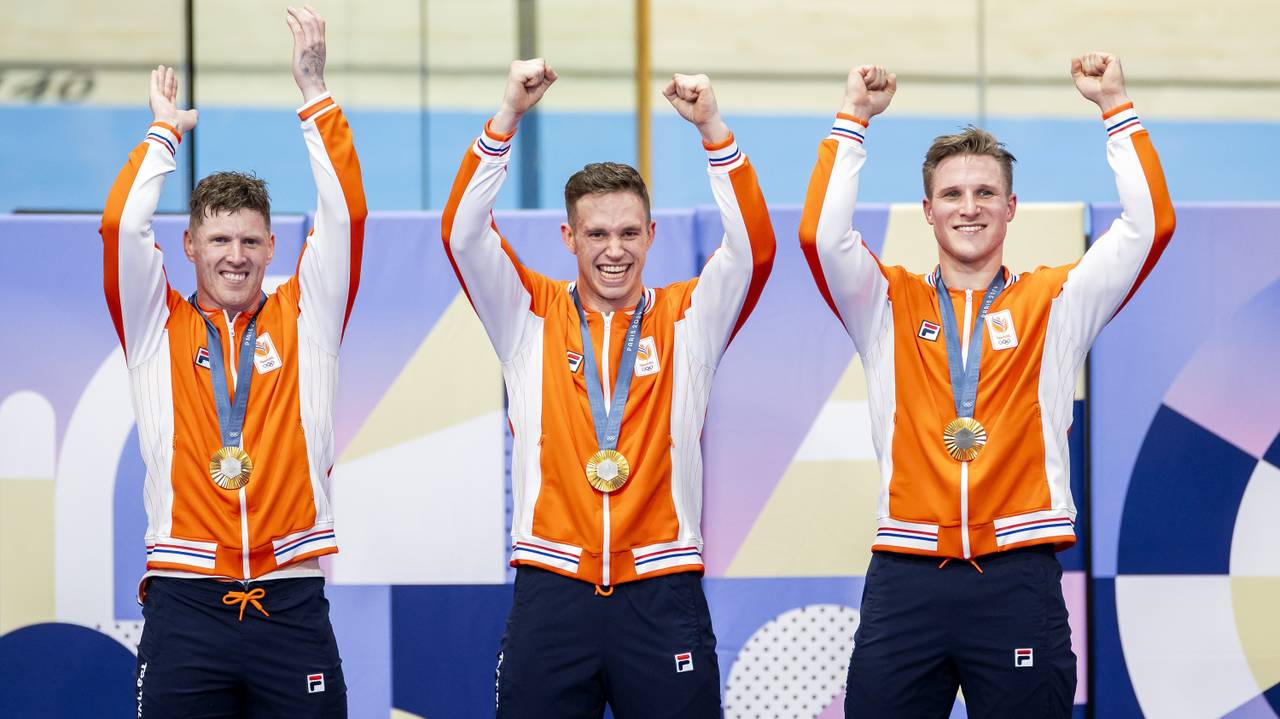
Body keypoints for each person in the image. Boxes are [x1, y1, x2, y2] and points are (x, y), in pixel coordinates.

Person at [799, 54, 1174, 717]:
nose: (968, 207)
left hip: (1017, 574)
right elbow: (821, 237)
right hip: (906, 576)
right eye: (951, 194)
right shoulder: (886, 302)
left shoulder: (1056, 301)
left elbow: (1150, 228)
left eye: (983, 193)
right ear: (927, 210)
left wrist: (1115, 104)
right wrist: (852, 117)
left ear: (1010, 208)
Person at [442, 58, 775, 717]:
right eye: (596, 233)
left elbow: (752, 249)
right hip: (552, 589)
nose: (613, 249)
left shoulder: (689, 319)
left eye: (628, 232)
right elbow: (463, 231)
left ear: (652, 235)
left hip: (662, 589)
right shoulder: (526, 314)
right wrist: (506, 114)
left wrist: (713, 128)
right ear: (568, 237)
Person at [100, 7, 365, 716]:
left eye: (250, 241)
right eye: (218, 240)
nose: (235, 256)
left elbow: (345, 215)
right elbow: (121, 226)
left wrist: (314, 92)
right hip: (186, 606)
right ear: (188, 245)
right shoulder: (156, 325)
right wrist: (161, 136)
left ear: (273, 248)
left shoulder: (308, 318)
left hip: (291, 599)